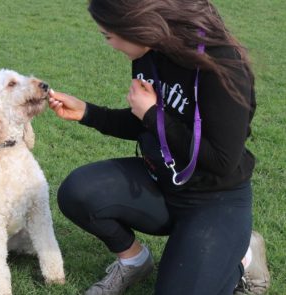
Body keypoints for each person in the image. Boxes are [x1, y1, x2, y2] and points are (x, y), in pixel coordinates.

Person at [47, 0, 270, 294]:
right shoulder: (150, 53)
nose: (109, 44)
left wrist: (153, 114)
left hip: (214, 199)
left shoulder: (221, 64)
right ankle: (133, 261)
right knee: (78, 192)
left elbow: (222, 159)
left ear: (135, 27)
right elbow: (145, 122)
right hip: (162, 183)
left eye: (108, 35)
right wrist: (87, 113)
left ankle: (242, 256)